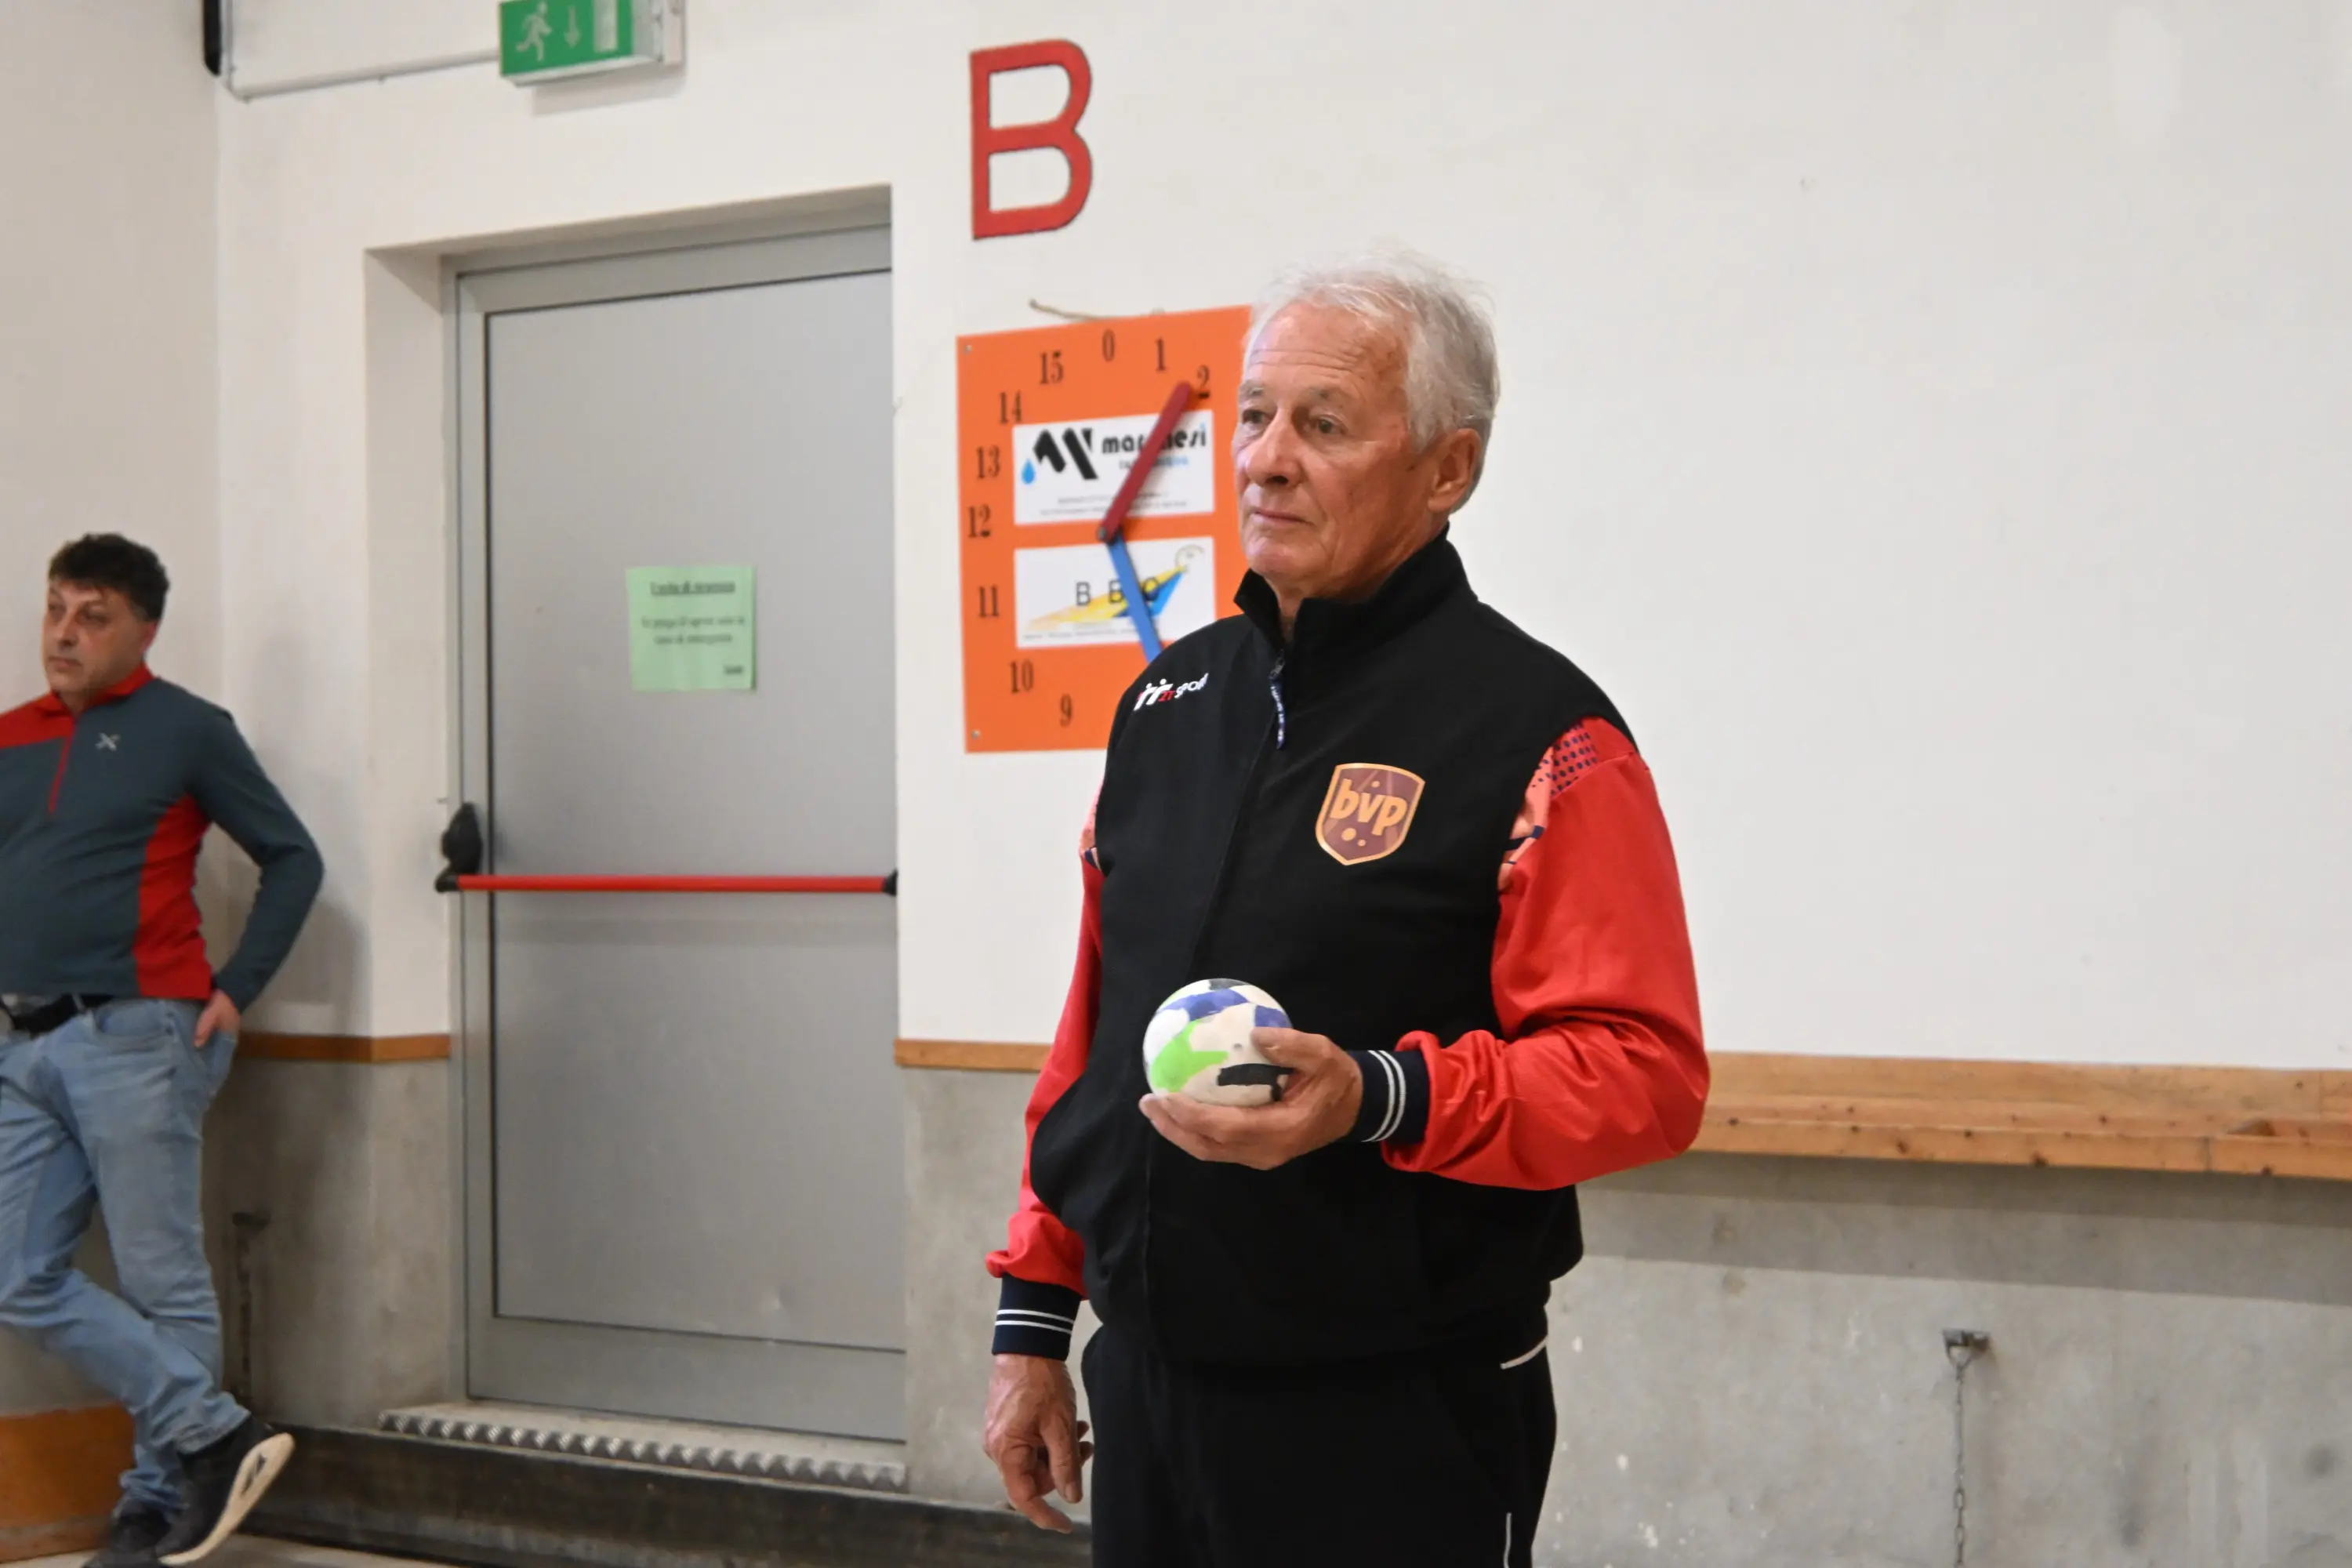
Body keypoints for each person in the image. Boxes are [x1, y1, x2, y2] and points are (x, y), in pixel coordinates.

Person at [981, 257, 1709, 1566]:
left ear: (1447, 469)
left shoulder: (1545, 738)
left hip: (1396, 1412)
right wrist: (1038, 1318)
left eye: (1322, 424)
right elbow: (1094, 1039)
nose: (1264, 460)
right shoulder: (1167, 707)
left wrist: (1379, 1096)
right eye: (1252, 415)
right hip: (1146, 1395)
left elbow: (1644, 1075)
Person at [0, 536, 322, 1568]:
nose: (62, 631)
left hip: (142, 1029)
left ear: (143, 630)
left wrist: (237, 990)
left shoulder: (187, 729)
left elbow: (293, 858)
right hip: (22, 1041)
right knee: (15, 1272)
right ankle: (217, 1431)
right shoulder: (10, 737)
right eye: (54, 608)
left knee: (161, 1281)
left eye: (91, 615)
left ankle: (152, 1504)